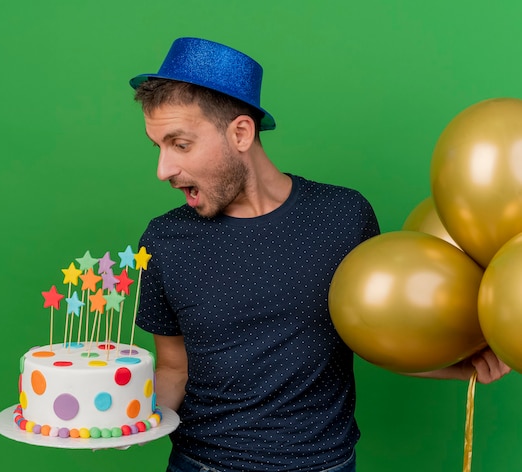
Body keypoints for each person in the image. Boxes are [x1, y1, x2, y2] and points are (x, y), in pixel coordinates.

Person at [129, 37, 510, 472]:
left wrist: (456, 364)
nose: (163, 170)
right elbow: (174, 369)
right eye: (156, 146)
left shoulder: (343, 216)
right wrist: (125, 420)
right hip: (202, 464)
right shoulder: (163, 240)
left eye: (179, 144)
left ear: (240, 133)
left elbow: (378, 334)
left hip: (325, 465)